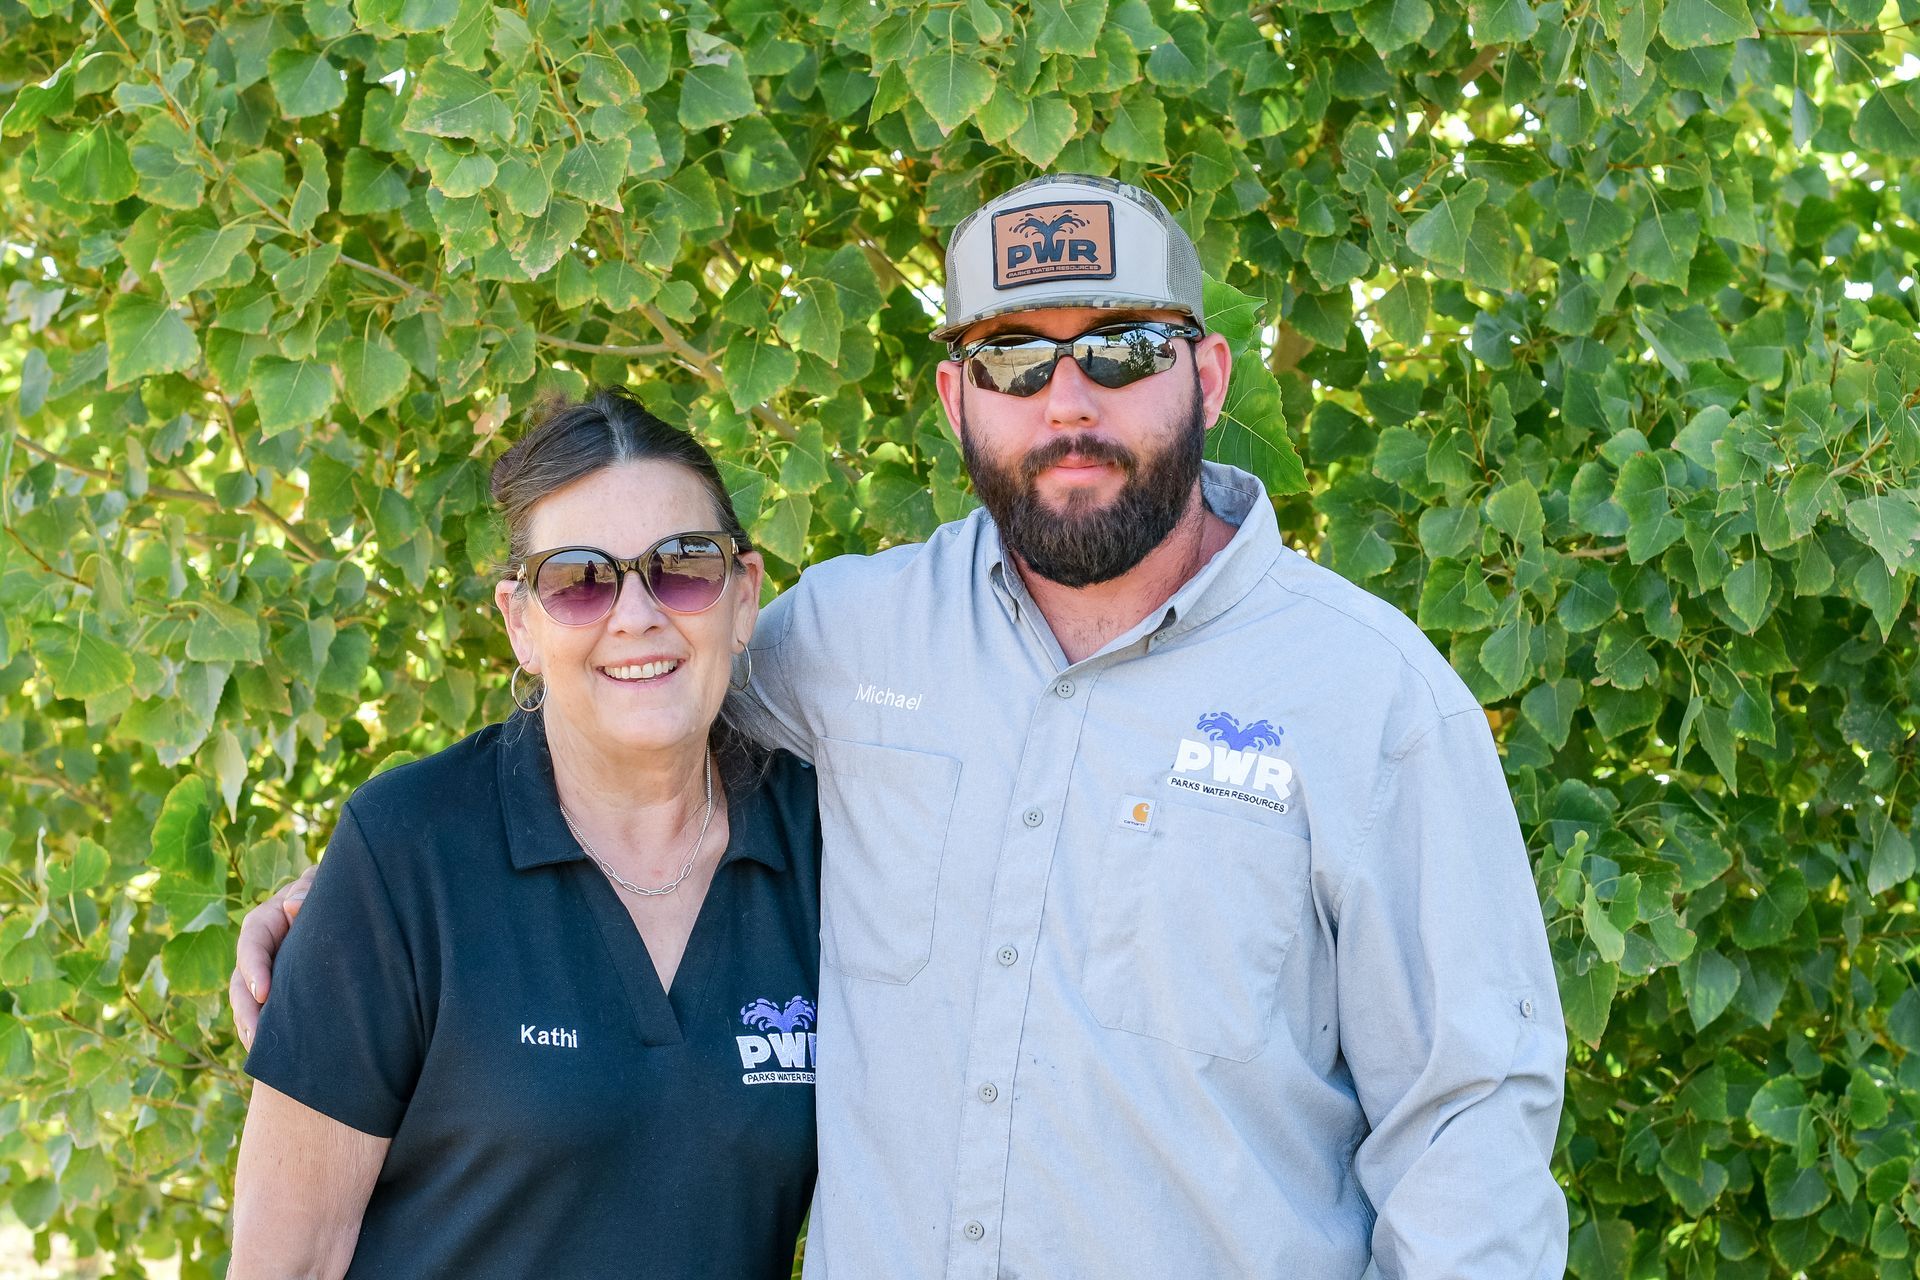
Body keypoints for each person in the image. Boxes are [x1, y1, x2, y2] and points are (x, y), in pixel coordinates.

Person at [235, 175, 1567, 1278]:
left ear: (1208, 373)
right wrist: (377, 897)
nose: (1068, 403)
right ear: (954, 399)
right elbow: (635, 696)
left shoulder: (1371, 698)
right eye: (1013, 358)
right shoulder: (858, 638)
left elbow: (1469, 1130)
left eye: (1120, 349)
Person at [228, 389, 821, 1279]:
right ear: (521, 624)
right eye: (579, 581)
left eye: (683, 566)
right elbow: (290, 1263)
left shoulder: (826, 850)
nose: (637, 615)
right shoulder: (405, 855)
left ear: (744, 598)